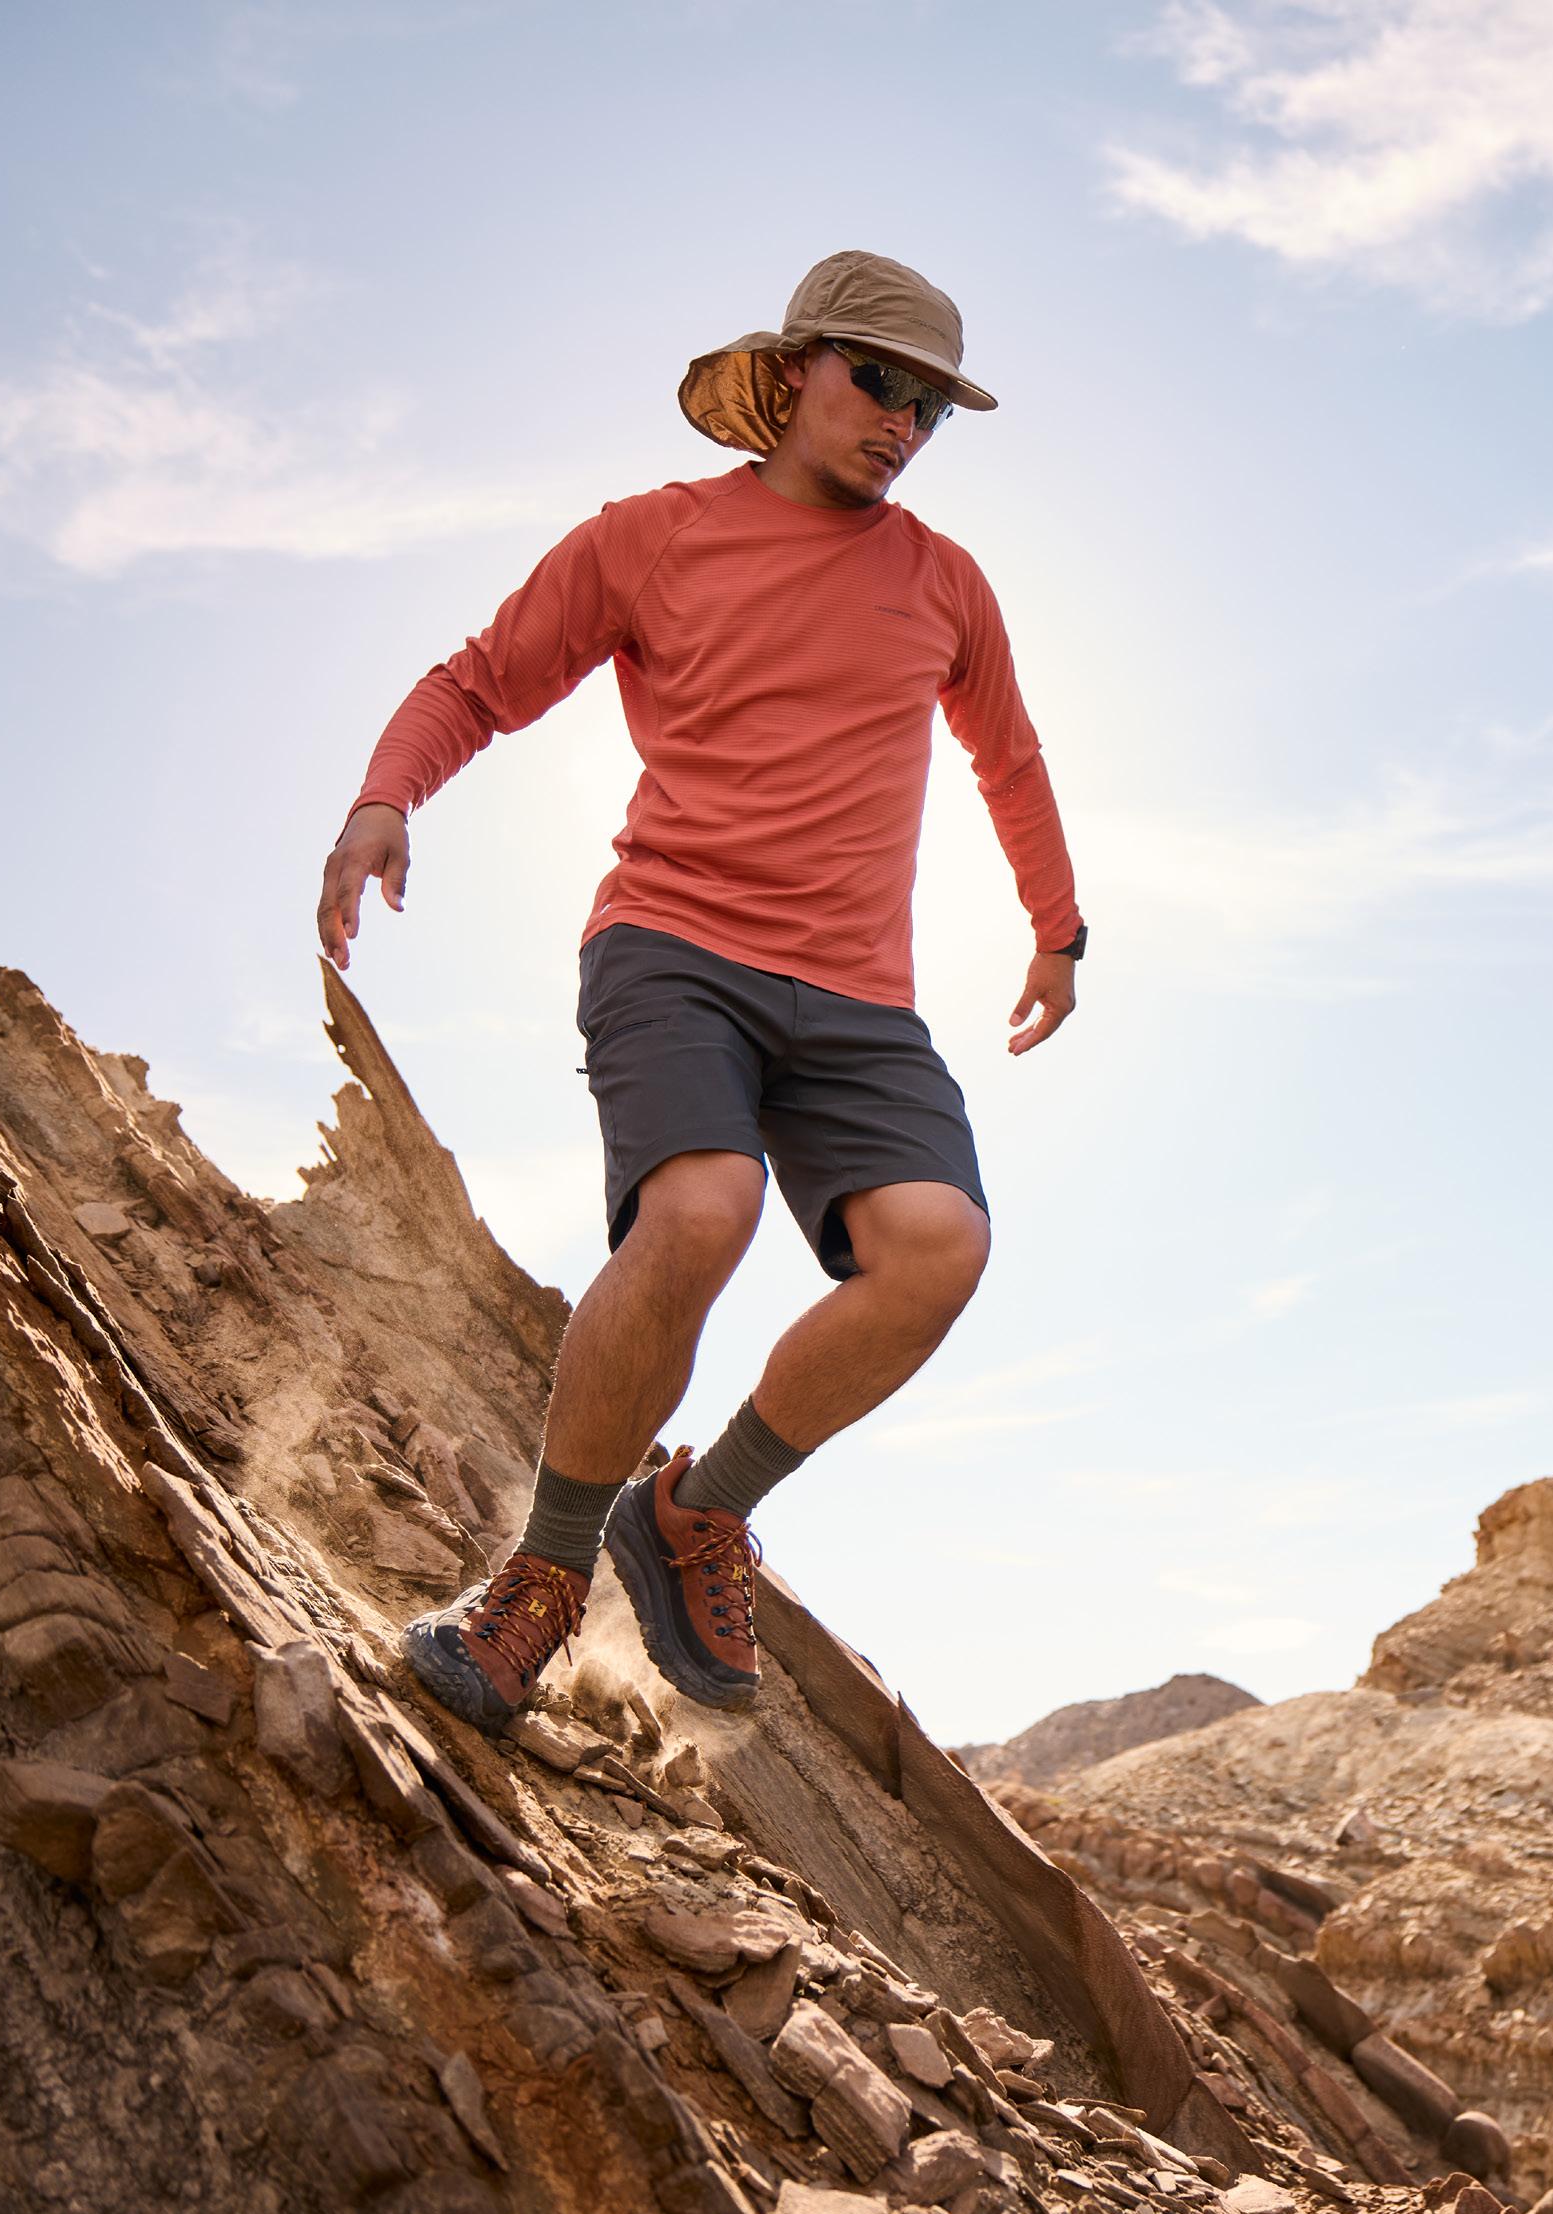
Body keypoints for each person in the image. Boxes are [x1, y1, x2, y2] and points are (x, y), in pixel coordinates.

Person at [314, 250, 1084, 1736]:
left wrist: (1058, 932)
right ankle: (537, 1582)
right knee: (702, 1211)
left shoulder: (946, 583)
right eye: (880, 382)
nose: (903, 422)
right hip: (674, 948)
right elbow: (478, 681)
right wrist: (384, 797)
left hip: (858, 1000)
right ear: (792, 373)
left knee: (939, 1250)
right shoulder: (651, 539)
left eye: (931, 407)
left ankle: (694, 1510)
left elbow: (1011, 757)